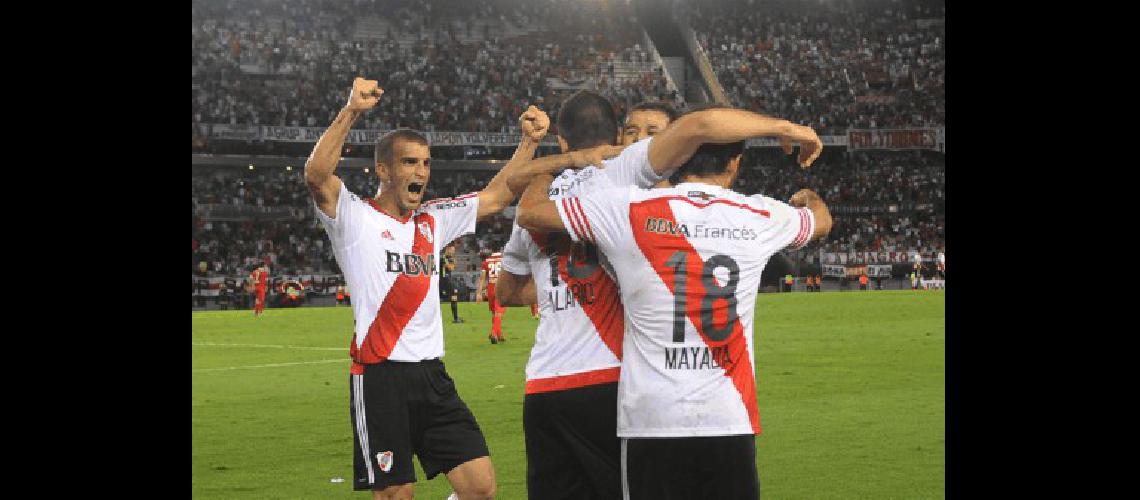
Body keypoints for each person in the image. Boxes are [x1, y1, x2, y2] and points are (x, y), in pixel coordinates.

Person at [305, 77, 623, 499]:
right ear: (383, 169)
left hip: (433, 376)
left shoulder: (433, 219)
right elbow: (317, 175)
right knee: (396, 495)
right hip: (380, 378)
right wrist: (352, 111)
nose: (421, 172)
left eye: (426, 163)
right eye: (409, 163)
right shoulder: (354, 217)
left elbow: (495, 198)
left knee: (480, 487)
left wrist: (528, 144)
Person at [516, 104, 828, 499]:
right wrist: (808, 196)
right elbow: (822, 221)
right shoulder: (760, 214)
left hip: (651, 421)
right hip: (728, 417)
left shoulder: (627, 208)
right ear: (735, 164)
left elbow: (529, 214)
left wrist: (556, 166)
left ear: (677, 157)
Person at [493, 90, 689, 499]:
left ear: (563, 142)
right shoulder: (624, 173)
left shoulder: (537, 192)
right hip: (611, 376)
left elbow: (507, 292)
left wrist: (557, 283)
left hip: (544, 384)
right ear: (618, 135)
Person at [475, 250, 506, 344]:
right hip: (502, 287)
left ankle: (499, 334)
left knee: (494, 313)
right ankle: (493, 333)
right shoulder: (504, 259)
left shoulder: (486, 262)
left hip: (491, 288)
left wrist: (479, 293)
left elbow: (482, 278)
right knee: (499, 312)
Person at [441, 244, 464, 323]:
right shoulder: (443, 258)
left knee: (454, 297)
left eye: (454, 251)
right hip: (445, 280)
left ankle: (456, 317)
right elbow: (451, 267)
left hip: (447, 279)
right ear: (447, 249)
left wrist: (453, 262)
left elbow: (453, 267)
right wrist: (453, 262)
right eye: (452, 250)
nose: (453, 252)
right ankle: (456, 318)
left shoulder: (448, 258)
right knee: (453, 296)